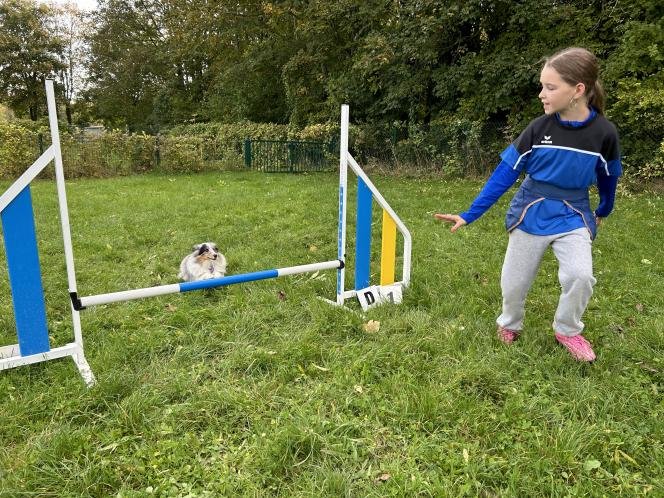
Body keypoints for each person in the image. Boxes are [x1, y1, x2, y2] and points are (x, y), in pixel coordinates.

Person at [435, 47, 622, 362]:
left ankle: (568, 330)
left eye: (550, 87)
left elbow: (608, 177)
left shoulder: (604, 133)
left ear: (578, 90)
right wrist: (470, 214)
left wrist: (603, 210)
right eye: (542, 86)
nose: (541, 94)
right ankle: (510, 323)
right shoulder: (538, 128)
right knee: (514, 282)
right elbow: (503, 175)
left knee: (580, 276)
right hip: (531, 210)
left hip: (574, 213)